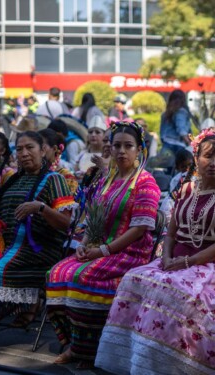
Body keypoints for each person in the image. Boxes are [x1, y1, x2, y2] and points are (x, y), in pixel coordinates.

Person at [95, 128, 215, 374]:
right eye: (208, 157)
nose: (214, 163)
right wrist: (165, 258)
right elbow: (171, 231)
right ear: (196, 159)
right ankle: (131, 361)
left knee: (174, 292)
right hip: (177, 260)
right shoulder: (187, 188)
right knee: (134, 279)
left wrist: (188, 261)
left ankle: (170, 366)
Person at [46, 122, 160, 369]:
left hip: (129, 252)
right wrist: (83, 244)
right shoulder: (106, 179)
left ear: (139, 150)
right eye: (116, 145)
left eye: (128, 146)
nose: (121, 151)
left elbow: (139, 229)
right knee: (55, 274)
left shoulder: (146, 182)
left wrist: (104, 250)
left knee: (83, 278)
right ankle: (75, 344)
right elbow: (91, 218)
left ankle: (90, 349)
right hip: (99, 247)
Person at [0, 131, 75, 329]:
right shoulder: (13, 180)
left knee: (2, 268)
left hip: (39, 249)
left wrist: (41, 208)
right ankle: (14, 307)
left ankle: (9, 308)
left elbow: (66, 224)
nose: (24, 153)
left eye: (30, 148)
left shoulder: (55, 179)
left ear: (43, 150)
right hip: (8, 245)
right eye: (19, 149)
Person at [39, 129, 79, 194]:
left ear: (54, 149)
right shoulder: (32, 171)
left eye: (42, 147)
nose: (38, 150)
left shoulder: (66, 176)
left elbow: (69, 202)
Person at [159, 89, 192, 155]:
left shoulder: (165, 114)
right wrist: (190, 143)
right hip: (179, 146)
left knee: (165, 164)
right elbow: (181, 130)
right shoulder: (181, 112)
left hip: (166, 144)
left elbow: (162, 133)